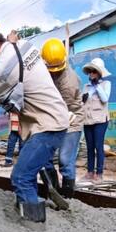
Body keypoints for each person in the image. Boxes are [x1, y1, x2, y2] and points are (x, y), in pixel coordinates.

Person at [0, 19, 69, 224]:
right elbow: (12, 48)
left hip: (48, 126)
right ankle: (29, 202)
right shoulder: (24, 45)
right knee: (29, 169)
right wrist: (10, 41)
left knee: (21, 177)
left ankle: (34, 224)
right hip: (53, 119)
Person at [41, 38, 84, 197]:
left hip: (71, 119)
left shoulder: (69, 82)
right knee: (43, 157)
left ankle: (67, 194)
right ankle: (53, 191)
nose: (54, 72)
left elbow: (62, 109)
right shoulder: (44, 71)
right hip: (52, 119)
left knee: (65, 160)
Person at [81, 58, 112, 182]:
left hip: (100, 121)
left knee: (98, 147)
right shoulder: (86, 86)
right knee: (89, 147)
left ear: (99, 73)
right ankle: (89, 172)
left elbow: (105, 99)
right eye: (90, 71)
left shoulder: (106, 84)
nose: (91, 74)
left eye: (94, 71)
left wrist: (97, 86)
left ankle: (99, 174)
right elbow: (82, 102)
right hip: (87, 120)